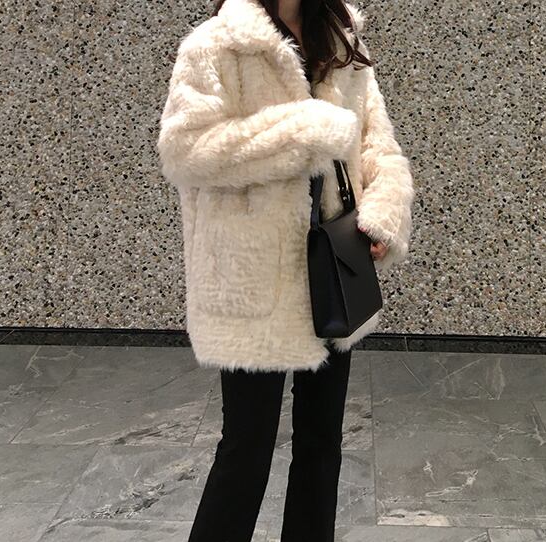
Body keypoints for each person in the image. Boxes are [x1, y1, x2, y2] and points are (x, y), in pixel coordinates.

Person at [156, 0, 415, 540]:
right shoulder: (217, 43)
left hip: (332, 267)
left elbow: (377, 144)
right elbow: (185, 149)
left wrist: (384, 212)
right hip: (251, 278)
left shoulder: (340, 36)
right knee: (246, 447)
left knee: (322, 444)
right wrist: (303, 132)